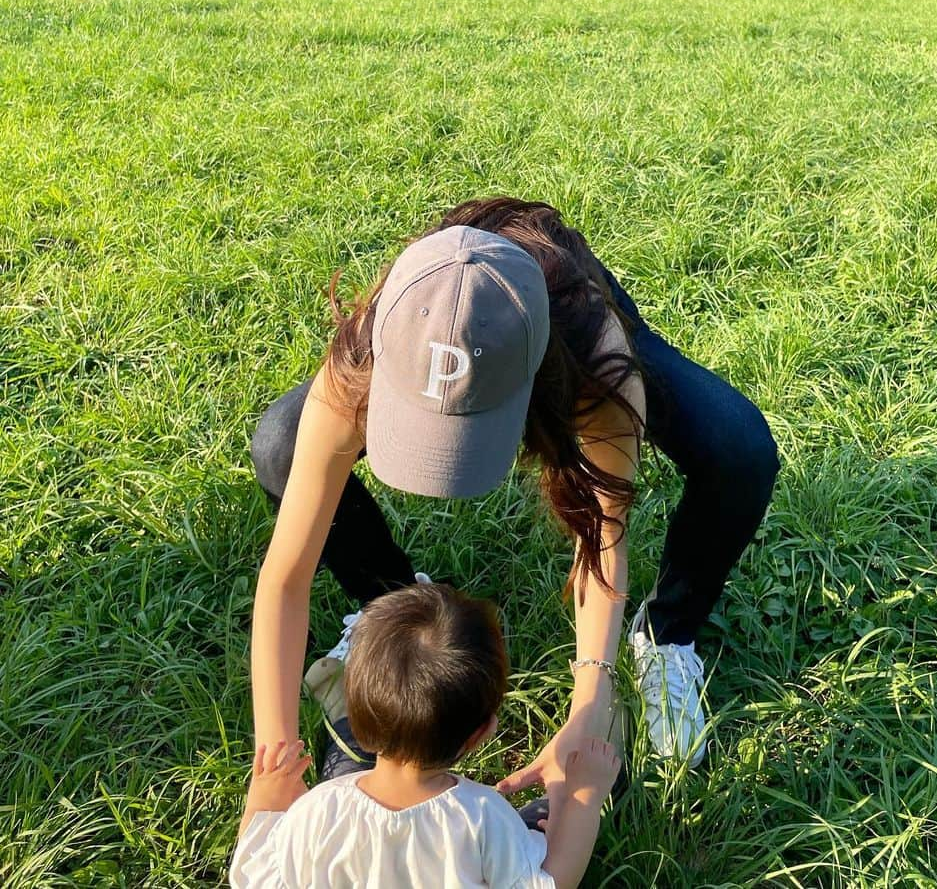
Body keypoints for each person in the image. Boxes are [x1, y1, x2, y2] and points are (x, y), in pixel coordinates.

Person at [249, 198, 778, 799]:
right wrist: (276, 761)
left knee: (741, 452)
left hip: (565, 319)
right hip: (437, 322)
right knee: (280, 447)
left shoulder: (592, 359)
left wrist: (589, 703)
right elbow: (285, 578)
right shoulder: (374, 346)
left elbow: (603, 537)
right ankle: (395, 608)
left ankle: (666, 636)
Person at [232, 581, 621, 888]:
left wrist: (261, 801)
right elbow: (553, 881)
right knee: (546, 817)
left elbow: (252, 877)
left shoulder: (316, 813)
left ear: (359, 716)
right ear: (480, 733)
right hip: (494, 841)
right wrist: (586, 795)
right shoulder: (483, 818)